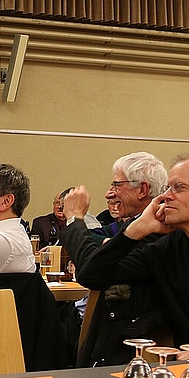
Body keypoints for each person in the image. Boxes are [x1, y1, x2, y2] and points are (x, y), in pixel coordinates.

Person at [76, 155, 189, 351]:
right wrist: (137, 229)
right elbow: (92, 276)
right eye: (168, 188)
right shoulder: (167, 248)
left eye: (179, 187)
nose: (167, 195)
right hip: (188, 370)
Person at [61, 151, 170, 366]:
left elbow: (91, 270)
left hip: (130, 353)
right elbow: (96, 251)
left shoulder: (157, 232)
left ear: (143, 190)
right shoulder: (129, 227)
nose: (108, 194)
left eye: (116, 185)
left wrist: (74, 219)